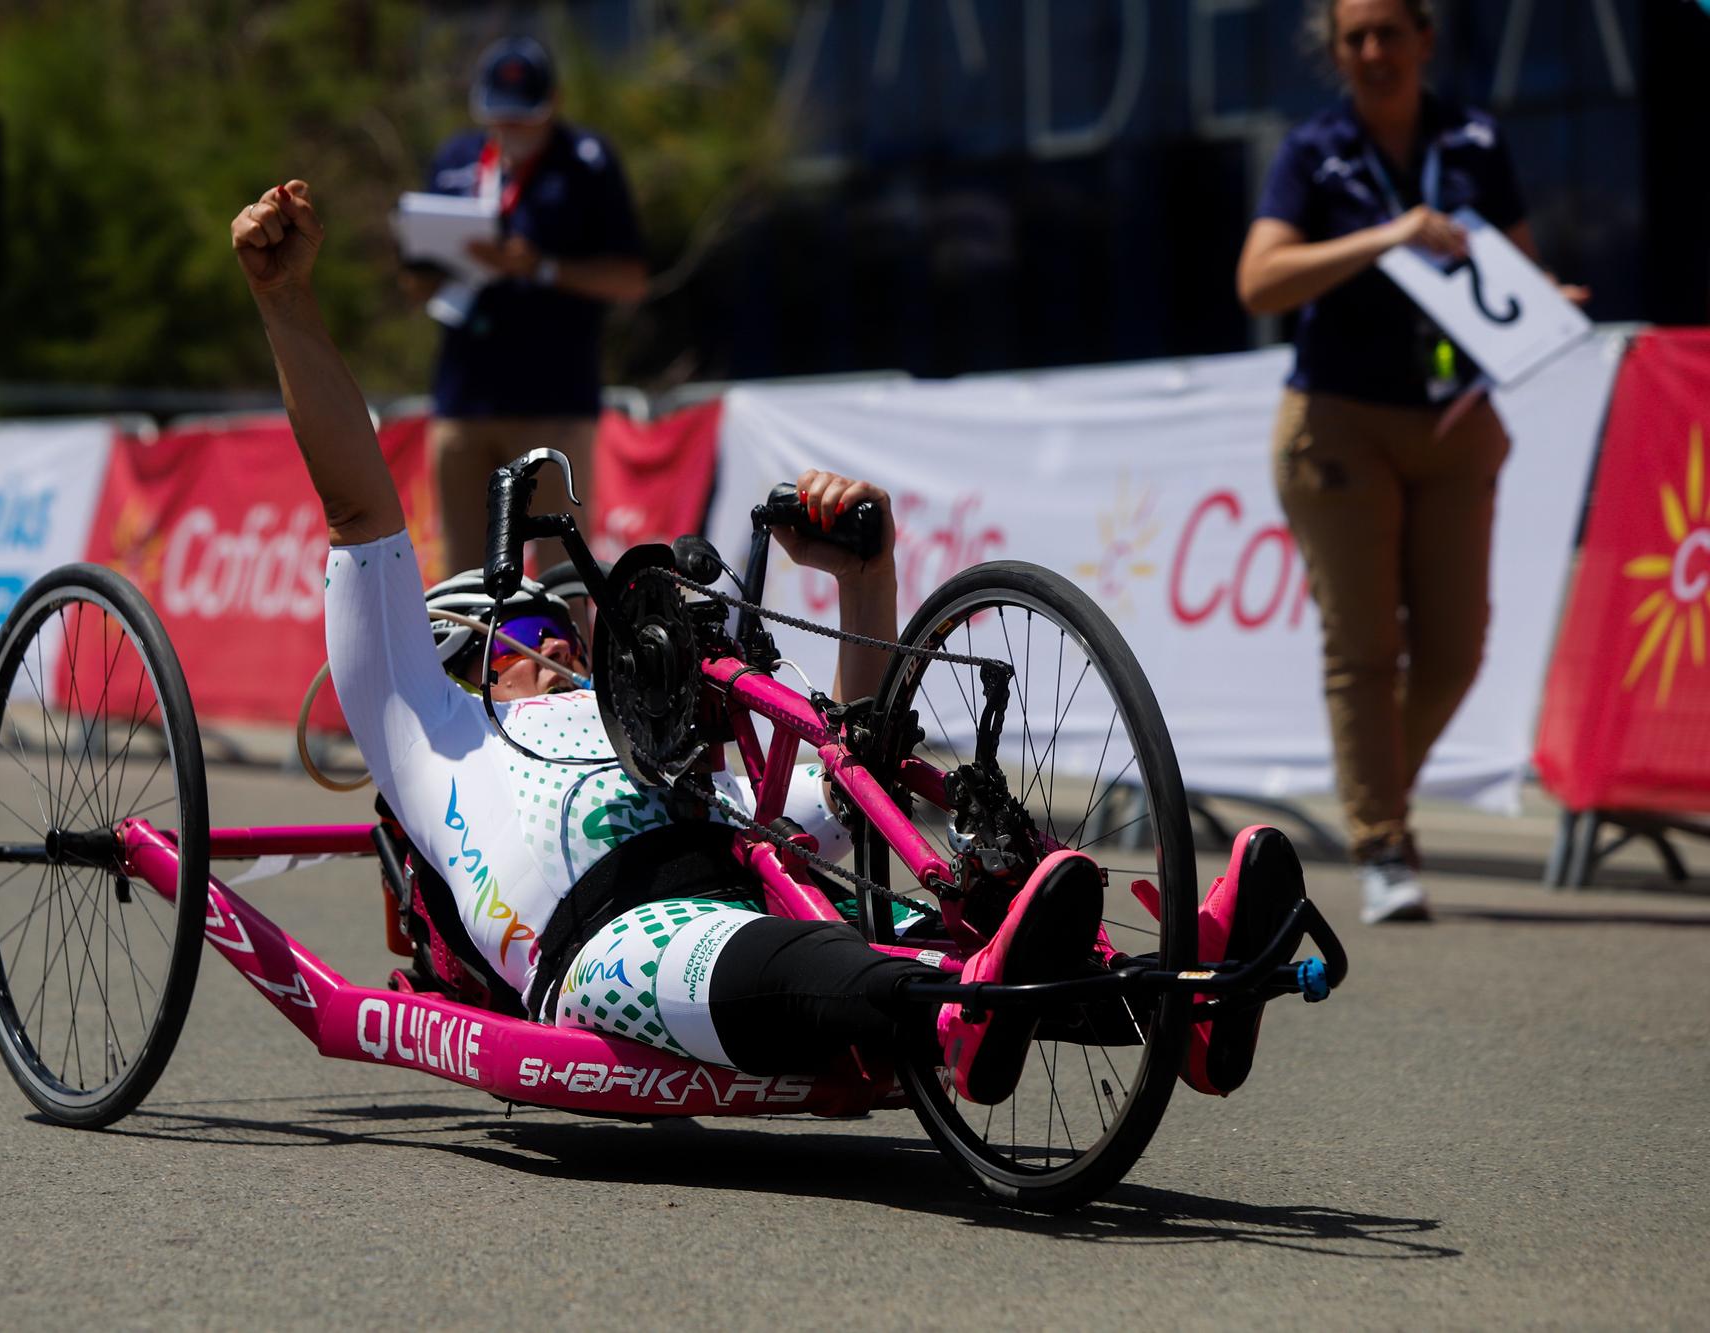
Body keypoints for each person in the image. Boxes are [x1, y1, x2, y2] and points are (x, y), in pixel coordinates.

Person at [233, 178, 1294, 1102]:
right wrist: (285, 306)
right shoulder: (430, 739)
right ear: (453, 663)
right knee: (784, 952)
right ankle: (954, 1012)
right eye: (510, 627)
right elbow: (358, 508)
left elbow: (843, 785)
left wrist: (861, 575)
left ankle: (1186, 1002)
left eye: (560, 624)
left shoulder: (671, 749)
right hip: (610, 944)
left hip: (753, 887)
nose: (544, 640)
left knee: (888, 931)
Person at [1235, 0, 1584, 925]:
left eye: (1391, 31)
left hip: (1454, 418)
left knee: (1458, 646)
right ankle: (1382, 838)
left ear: (1426, 38)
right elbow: (1259, 280)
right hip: (1338, 422)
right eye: (1355, 38)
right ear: (1337, 52)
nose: (1374, 52)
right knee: (1364, 647)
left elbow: (1510, 269)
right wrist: (1385, 237)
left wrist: (1548, 300)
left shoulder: (1472, 139)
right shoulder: (1315, 151)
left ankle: (1373, 790)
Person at [403, 35, 648, 578]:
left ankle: (574, 665)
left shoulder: (587, 163)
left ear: (554, 103)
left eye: (524, 119)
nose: (510, 131)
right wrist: (453, 259)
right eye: (501, 118)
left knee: (565, 576)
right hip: (463, 401)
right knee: (464, 582)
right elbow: (414, 283)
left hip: (554, 404)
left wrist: (539, 266)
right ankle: (466, 668)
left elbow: (631, 279)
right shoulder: (455, 160)